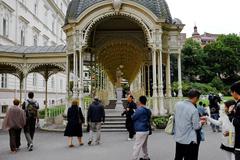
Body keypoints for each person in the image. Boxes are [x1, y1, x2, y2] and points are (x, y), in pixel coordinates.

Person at [174, 89, 205, 160]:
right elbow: (196, 127)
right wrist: (201, 122)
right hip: (189, 139)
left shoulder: (177, 104)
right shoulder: (193, 109)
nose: (197, 100)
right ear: (195, 98)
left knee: (178, 157)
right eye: (198, 98)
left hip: (179, 137)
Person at [131, 96, 151, 160]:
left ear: (140, 101)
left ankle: (134, 158)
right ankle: (146, 156)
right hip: (146, 129)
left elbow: (133, 117)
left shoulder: (139, 109)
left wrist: (135, 111)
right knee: (144, 145)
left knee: (137, 145)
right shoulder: (148, 109)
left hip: (140, 130)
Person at [228, 81, 240, 160]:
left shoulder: (239, 105)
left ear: (235, 92)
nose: (231, 95)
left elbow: (238, 122)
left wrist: (230, 114)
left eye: (231, 92)